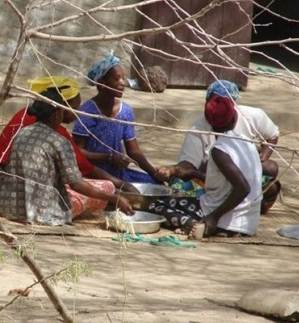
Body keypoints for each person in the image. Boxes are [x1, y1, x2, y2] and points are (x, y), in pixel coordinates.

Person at [0, 75, 138, 200]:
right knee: (103, 189)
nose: (77, 113)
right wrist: (120, 186)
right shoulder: (57, 132)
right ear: (61, 107)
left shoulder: (25, 114)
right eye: (75, 107)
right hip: (12, 189)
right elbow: (84, 169)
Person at [0, 89, 135, 226]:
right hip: (42, 213)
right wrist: (114, 198)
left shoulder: (22, 133)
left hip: (10, 207)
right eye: (62, 111)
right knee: (107, 186)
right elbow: (77, 184)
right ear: (56, 115)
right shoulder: (60, 141)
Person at [157, 79, 281, 213]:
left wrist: (260, 159)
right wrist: (173, 170)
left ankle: (252, 204)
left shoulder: (251, 117)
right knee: (178, 184)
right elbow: (189, 163)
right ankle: (247, 204)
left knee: (270, 169)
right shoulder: (199, 128)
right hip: (211, 180)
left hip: (241, 181)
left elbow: (272, 135)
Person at [149, 95, 262, 238]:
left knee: (157, 206)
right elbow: (229, 182)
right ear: (234, 118)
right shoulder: (247, 141)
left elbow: (243, 188)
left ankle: (196, 224)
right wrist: (194, 174)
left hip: (224, 218)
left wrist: (213, 217)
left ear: (210, 123)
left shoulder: (220, 150)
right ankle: (212, 225)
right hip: (249, 223)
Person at [72, 52, 166, 184]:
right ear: (101, 83)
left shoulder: (125, 111)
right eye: (117, 79)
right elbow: (78, 152)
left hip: (119, 173)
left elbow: (133, 151)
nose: (123, 83)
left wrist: (154, 172)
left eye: (123, 78)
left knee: (156, 184)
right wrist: (109, 157)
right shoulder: (87, 112)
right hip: (93, 174)